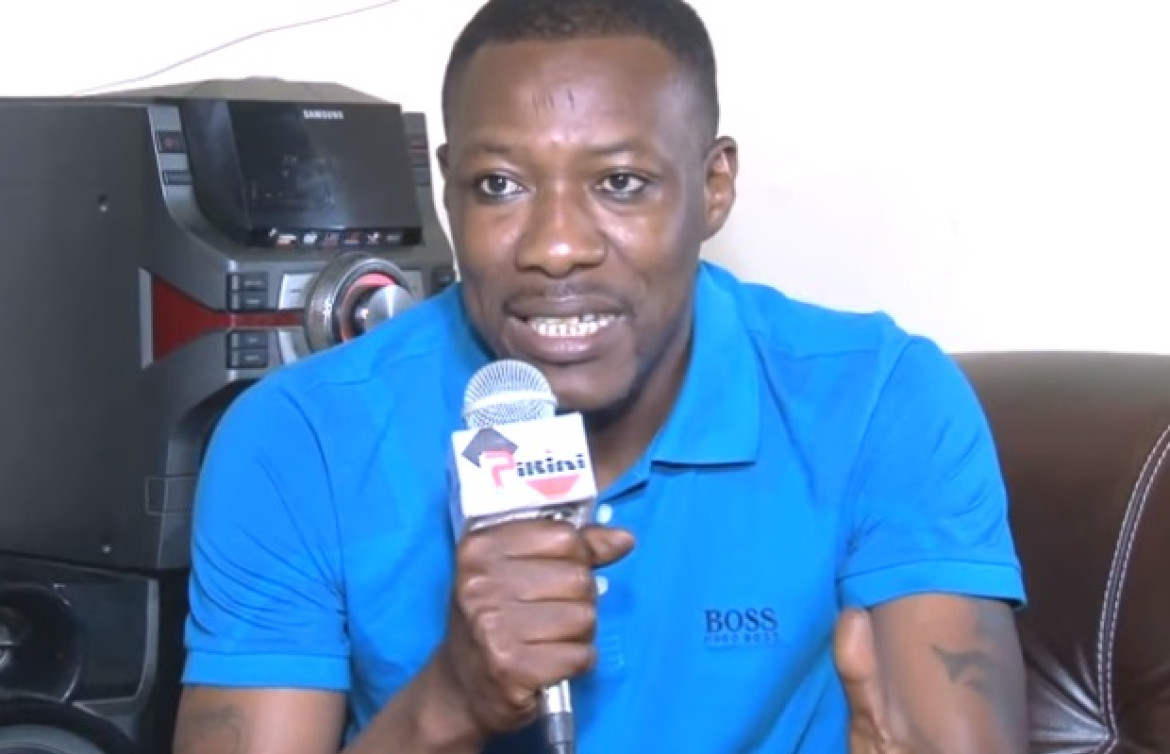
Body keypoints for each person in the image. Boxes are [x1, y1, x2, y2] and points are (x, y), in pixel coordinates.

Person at [171, 0, 1030, 752]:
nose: (555, 247)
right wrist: (451, 701)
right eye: (499, 185)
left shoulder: (880, 402)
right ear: (447, 192)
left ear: (713, 186)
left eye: (620, 183)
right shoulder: (298, 439)